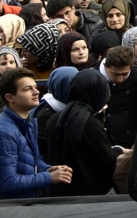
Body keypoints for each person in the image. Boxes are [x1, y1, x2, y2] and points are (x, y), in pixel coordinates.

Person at [0, 69, 73, 198]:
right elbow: (6, 182)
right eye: (28, 89)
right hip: (17, 209)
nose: (36, 92)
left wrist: (47, 169)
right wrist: (48, 177)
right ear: (10, 97)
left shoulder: (26, 121)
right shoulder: (3, 132)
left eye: (35, 87)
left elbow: (33, 161)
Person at [46, 68, 125, 196]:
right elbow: (107, 159)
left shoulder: (55, 118)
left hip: (58, 191)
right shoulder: (89, 123)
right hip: (88, 194)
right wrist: (119, 150)